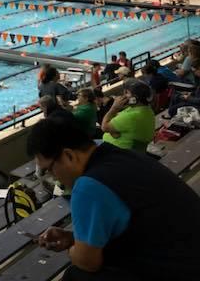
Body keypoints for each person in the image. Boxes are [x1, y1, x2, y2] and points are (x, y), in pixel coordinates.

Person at [28, 115, 200, 279]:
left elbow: (87, 262)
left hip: (181, 272)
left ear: (69, 155)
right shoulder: (121, 156)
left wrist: (74, 249)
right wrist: (75, 238)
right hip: (187, 252)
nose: (54, 176)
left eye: (49, 169)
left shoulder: (89, 187)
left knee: (78, 275)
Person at [101, 79, 155, 152]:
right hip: (116, 146)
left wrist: (114, 108)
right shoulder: (144, 109)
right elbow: (115, 123)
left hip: (115, 152)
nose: (123, 95)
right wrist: (112, 131)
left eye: (126, 93)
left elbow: (104, 127)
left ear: (134, 98)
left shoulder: (133, 116)